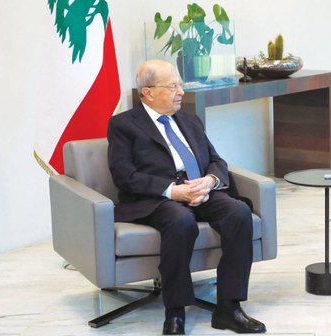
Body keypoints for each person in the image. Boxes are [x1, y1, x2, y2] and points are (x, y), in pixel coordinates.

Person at [107, 59, 266, 335]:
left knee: (239, 213)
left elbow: (216, 160)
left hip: (199, 189)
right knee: (181, 221)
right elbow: (124, 176)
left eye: (180, 85)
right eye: (172, 86)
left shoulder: (190, 119)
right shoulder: (124, 125)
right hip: (159, 198)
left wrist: (209, 181)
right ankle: (175, 313)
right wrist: (172, 191)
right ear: (148, 91)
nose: (180, 91)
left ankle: (229, 308)